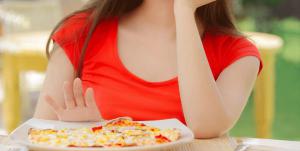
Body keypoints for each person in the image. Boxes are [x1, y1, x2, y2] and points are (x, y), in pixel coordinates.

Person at [34, 0, 262, 138]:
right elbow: (39, 135)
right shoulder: (80, 31)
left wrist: (183, 10)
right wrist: (85, 133)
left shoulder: (238, 54)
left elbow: (205, 127)